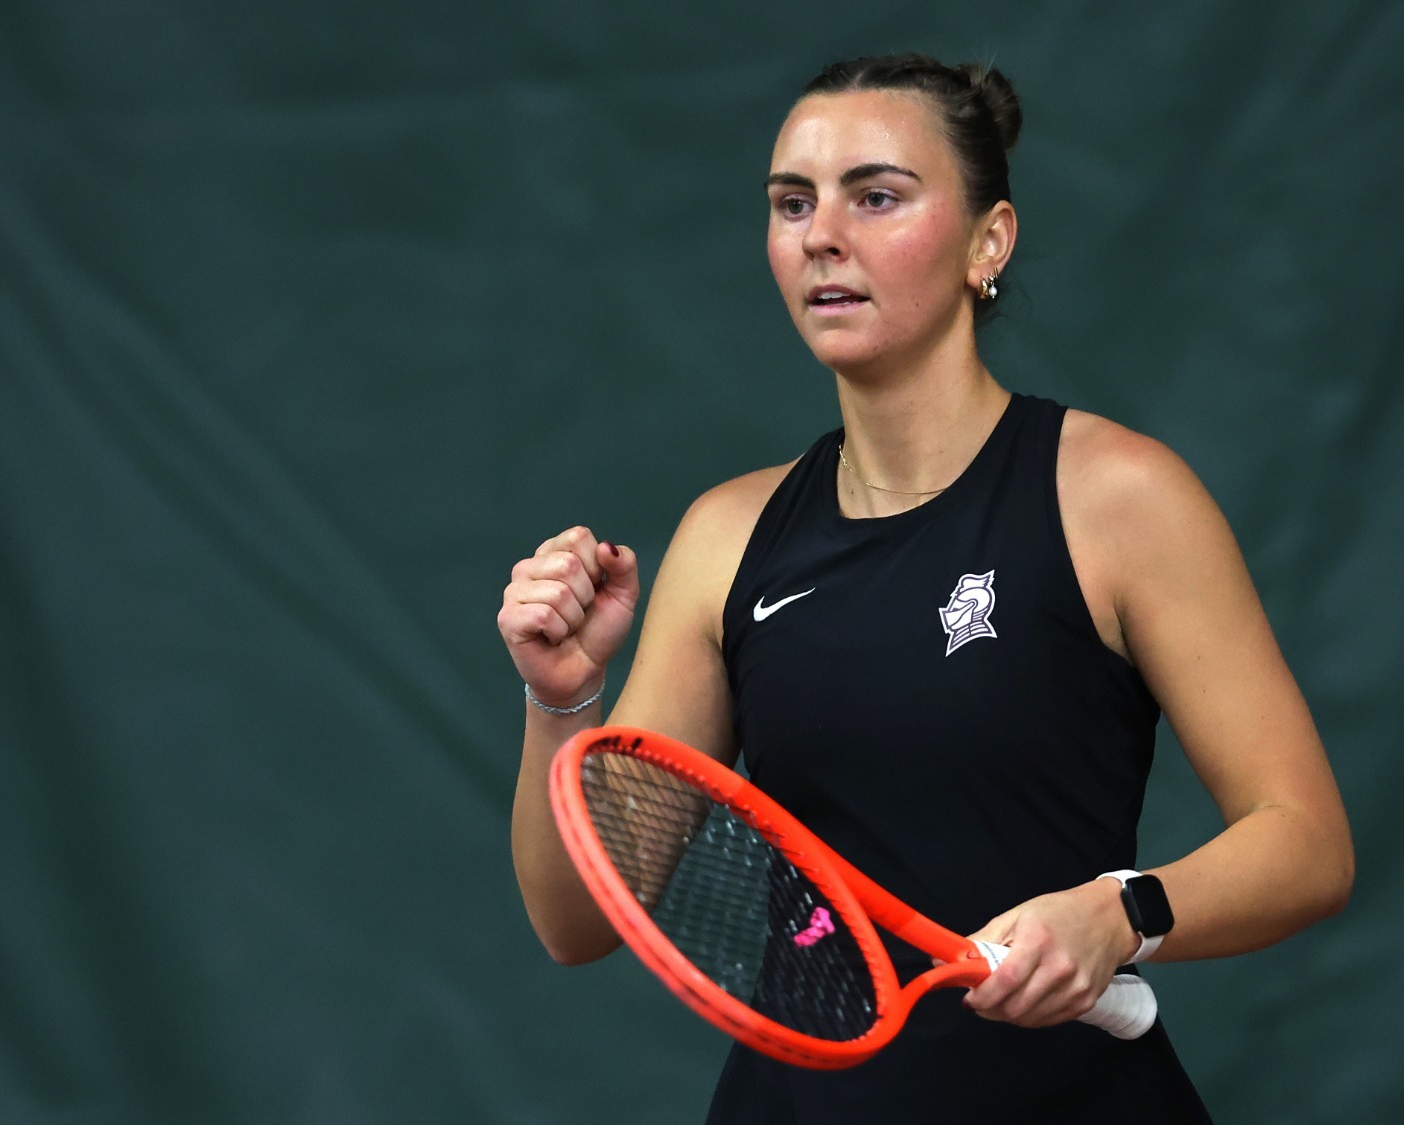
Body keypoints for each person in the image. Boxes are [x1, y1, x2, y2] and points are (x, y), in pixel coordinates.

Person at [500, 54, 1353, 1123]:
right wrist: (561, 700)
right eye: (792, 203)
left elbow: (1306, 842)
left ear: (987, 241)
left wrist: (1120, 912)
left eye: (875, 197)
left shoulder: (1116, 497)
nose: (821, 235)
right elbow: (576, 923)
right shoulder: (727, 539)